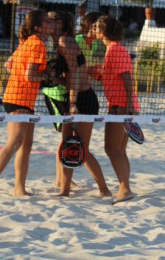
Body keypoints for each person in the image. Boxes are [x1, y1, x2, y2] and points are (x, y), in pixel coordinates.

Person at [0, 9, 51, 201]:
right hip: (19, 98)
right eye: (46, 22)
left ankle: (19, 188)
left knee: (26, 145)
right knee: (14, 143)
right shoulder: (36, 44)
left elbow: (8, 64)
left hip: (20, 97)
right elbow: (30, 75)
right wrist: (47, 75)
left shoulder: (26, 43)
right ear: (37, 27)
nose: (50, 24)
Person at [53, 11, 111, 198]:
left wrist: (73, 103)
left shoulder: (65, 42)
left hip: (83, 98)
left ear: (59, 23)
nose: (46, 22)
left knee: (80, 148)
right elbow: (70, 76)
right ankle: (64, 190)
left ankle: (104, 189)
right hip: (75, 95)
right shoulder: (59, 42)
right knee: (67, 145)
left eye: (50, 20)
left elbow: (76, 75)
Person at [92, 15, 139, 203]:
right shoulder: (114, 49)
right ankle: (124, 187)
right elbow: (115, 77)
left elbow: (127, 78)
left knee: (112, 148)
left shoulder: (114, 50)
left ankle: (125, 188)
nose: (94, 30)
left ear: (103, 32)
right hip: (121, 103)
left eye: (96, 27)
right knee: (119, 149)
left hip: (121, 105)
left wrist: (127, 106)